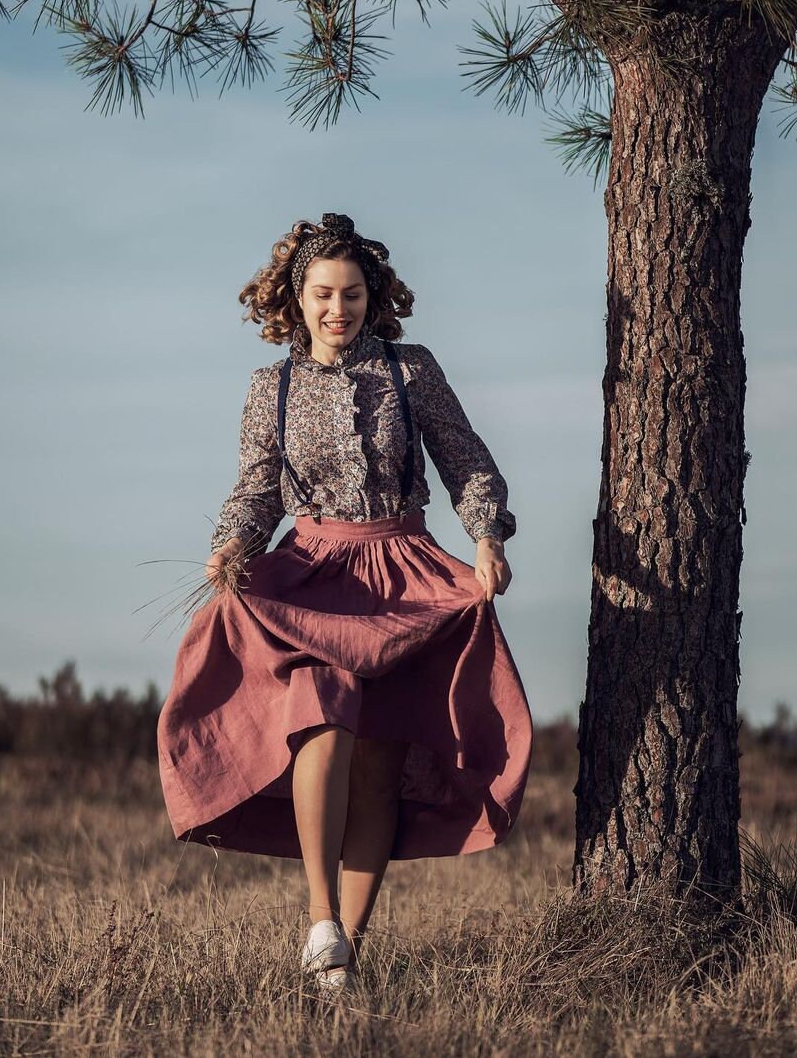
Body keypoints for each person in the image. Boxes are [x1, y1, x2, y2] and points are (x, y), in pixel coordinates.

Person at [156, 212, 533, 995]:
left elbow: (466, 462)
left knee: (382, 761)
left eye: (352, 293)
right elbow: (257, 488)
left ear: (373, 296)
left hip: (405, 573)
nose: (338, 308)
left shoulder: (411, 369)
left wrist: (488, 539)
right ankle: (320, 917)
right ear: (295, 300)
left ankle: (342, 960)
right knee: (320, 719)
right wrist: (231, 544)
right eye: (323, 294)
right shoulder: (273, 386)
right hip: (312, 574)